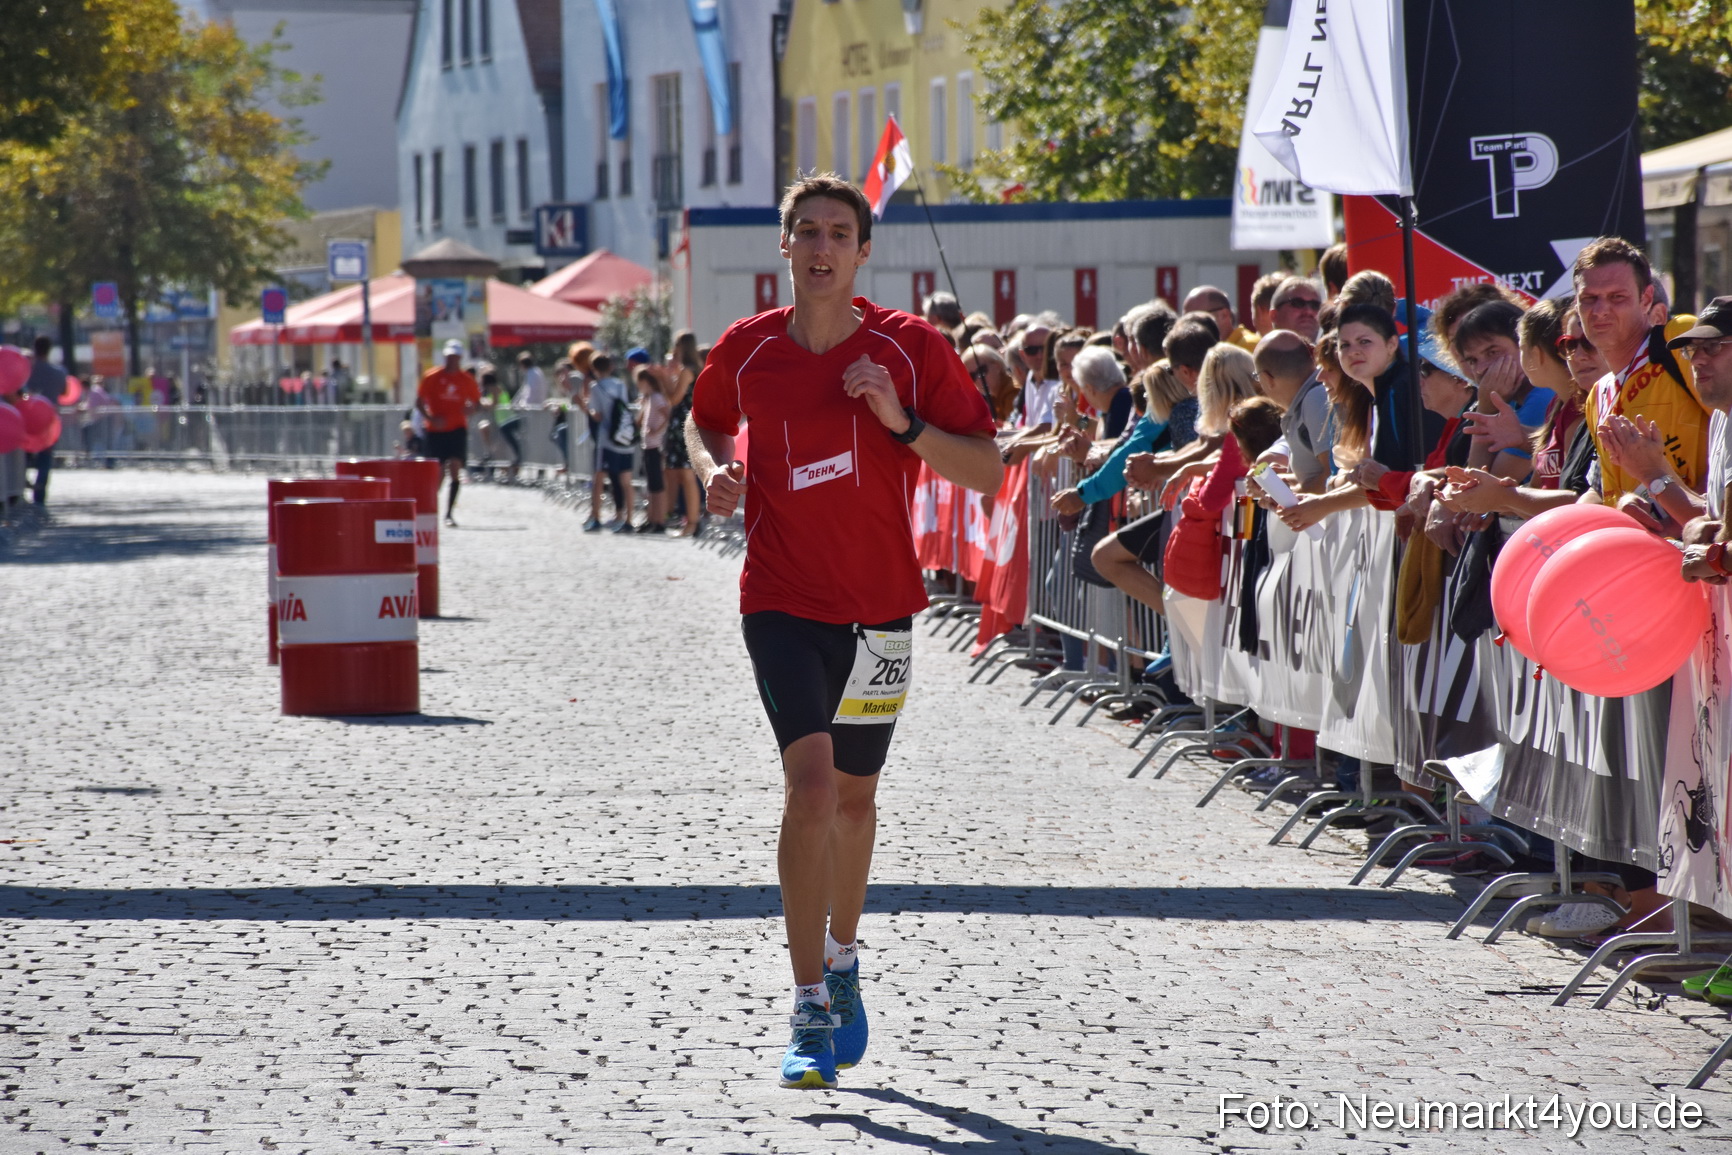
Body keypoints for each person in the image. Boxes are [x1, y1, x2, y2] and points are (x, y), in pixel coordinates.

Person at [686, 173, 1000, 1091]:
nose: (821, 247)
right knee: (812, 788)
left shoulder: (908, 349)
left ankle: (847, 954)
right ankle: (808, 1000)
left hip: (880, 608)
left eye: (838, 233)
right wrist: (714, 469)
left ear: (863, 252)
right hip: (779, 600)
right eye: (806, 231)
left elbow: (984, 468)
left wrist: (899, 423)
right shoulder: (747, 351)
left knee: (857, 800)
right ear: (783, 246)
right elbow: (701, 424)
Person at [1574, 236, 1706, 508]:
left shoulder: (1678, 339)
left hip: (1702, 540)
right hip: (1639, 547)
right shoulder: (1598, 395)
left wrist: (1680, 510)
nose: (1600, 310)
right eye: (1589, 298)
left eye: (1617, 297)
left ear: (1646, 299)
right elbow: (1602, 493)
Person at [1253, 330, 1331, 492]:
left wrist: (1286, 493)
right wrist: (1273, 485)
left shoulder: (1315, 398)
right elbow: (1314, 476)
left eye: (1257, 377)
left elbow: (1332, 475)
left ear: (1267, 378)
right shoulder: (1309, 399)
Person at [417, 339, 482, 526]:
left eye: (454, 357)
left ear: (460, 358)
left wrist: (472, 409)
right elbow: (419, 402)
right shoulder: (431, 377)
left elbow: (477, 403)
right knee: (437, 472)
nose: (451, 360)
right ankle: (430, 509)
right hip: (435, 431)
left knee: (455, 467)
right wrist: (430, 419)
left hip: (457, 429)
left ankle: (449, 513)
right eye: (448, 356)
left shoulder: (466, 380)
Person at [583, 353, 636, 532]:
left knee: (599, 478)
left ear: (594, 369)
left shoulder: (596, 387)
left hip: (607, 439)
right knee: (626, 481)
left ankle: (595, 516)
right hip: (624, 438)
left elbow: (597, 415)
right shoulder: (620, 385)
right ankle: (629, 520)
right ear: (611, 367)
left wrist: (585, 408)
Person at [663, 331, 704, 536]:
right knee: (684, 474)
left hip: (684, 425)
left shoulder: (687, 371)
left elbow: (674, 399)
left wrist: (663, 378)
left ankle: (692, 522)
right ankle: (690, 521)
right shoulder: (694, 369)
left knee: (687, 475)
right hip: (686, 424)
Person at [23, 335, 66, 507]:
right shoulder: (58, 372)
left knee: (21, 456)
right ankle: (39, 495)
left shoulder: (26, 371)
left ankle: (17, 490)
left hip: (26, 418)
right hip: (49, 420)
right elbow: (64, 391)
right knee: (45, 458)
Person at [635, 365, 670, 533]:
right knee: (651, 486)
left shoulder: (657, 398)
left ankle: (659, 520)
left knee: (657, 486)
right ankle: (652, 518)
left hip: (655, 445)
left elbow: (666, 415)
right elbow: (639, 421)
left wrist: (657, 429)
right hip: (648, 445)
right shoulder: (649, 398)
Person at [1183, 285, 1258, 352]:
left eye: (1196, 319)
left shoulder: (1249, 346)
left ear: (1224, 315)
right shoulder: (1205, 351)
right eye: (1184, 320)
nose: (1189, 326)